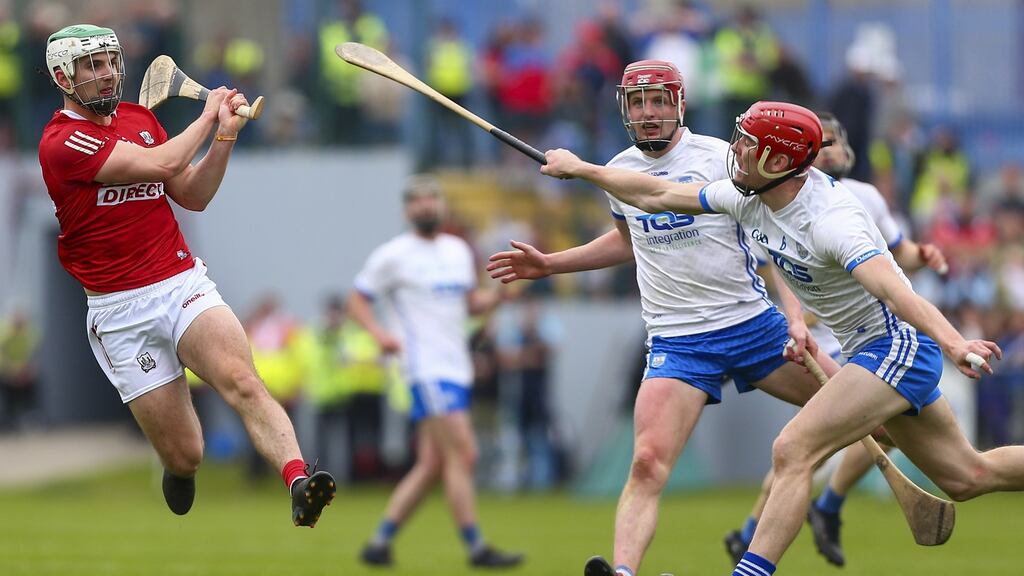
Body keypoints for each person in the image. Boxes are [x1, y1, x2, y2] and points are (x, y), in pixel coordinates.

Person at [538, 101, 1014, 576]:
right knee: (968, 476)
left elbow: (894, 289)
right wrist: (584, 170)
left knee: (792, 449)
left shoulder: (831, 223)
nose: (736, 153)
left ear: (780, 161)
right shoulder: (748, 196)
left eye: (748, 144)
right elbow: (658, 195)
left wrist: (954, 343)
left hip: (896, 347)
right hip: (865, 350)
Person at [487, 61, 833, 576]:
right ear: (625, 109)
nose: (649, 113)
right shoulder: (619, 169)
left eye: (658, 101)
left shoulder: (721, 158)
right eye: (638, 102)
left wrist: (795, 317)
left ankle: (930, 466)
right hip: (677, 339)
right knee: (647, 463)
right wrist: (550, 263)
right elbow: (629, 240)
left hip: (752, 324)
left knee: (862, 410)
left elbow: (769, 242)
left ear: (679, 104)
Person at [37, 24, 335, 525]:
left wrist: (224, 134)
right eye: (93, 65)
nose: (108, 72)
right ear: (64, 76)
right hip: (119, 311)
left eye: (111, 60)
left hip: (180, 283)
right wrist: (208, 112)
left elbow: (192, 194)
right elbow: (165, 160)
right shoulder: (62, 144)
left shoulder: (138, 120)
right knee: (186, 453)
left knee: (243, 380)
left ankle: (298, 481)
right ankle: (178, 468)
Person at [723, 111, 950, 567]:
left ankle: (812, 511)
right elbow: (779, 261)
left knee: (798, 448)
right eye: (823, 142)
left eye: (835, 140)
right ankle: (785, 519)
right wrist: (795, 320)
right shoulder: (766, 199)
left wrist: (951, 334)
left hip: (886, 342)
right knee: (968, 475)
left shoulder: (854, 202)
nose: (832, 149)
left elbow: (891, 272)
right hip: (835, 340)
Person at [350, 175, 523, 569]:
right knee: (464, 452)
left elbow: (470, 306)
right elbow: (357, 301)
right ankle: (477, 547)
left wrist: (498, 295)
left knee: (432, 465)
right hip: (424, 368)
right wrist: (380, 334)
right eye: (418, 201)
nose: (426, 206)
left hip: (456, 367)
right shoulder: (393, 255)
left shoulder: (458, 251)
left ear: (441, 206)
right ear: (407, 210)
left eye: (432, 199)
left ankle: (379, 543)